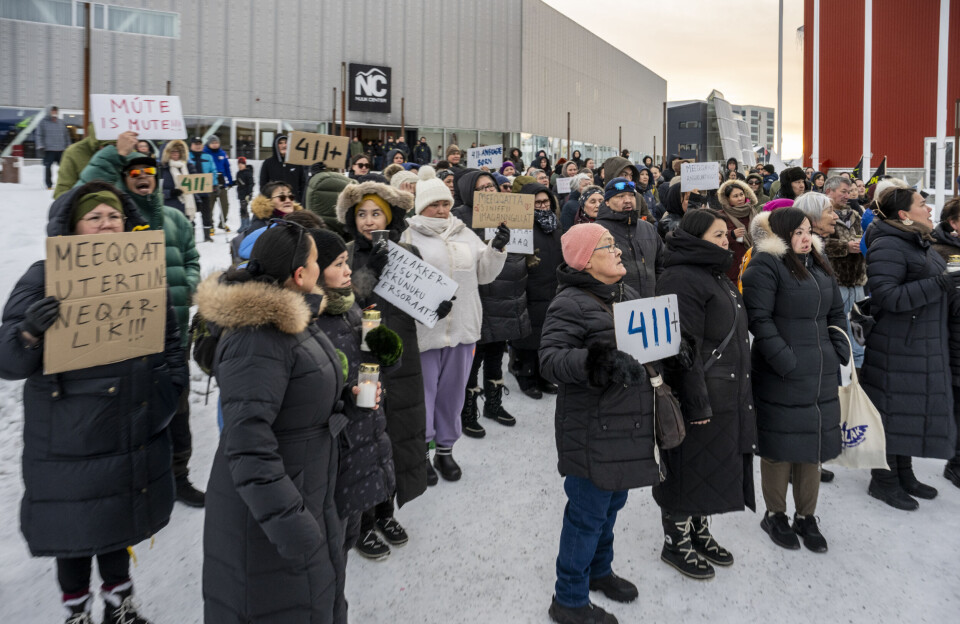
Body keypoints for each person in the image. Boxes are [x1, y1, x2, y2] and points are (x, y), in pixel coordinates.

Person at [0, 181, 187, 624]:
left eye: (114, 216)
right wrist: (28, 330)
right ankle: (77, 612)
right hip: (70, 436)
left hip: (130, 427)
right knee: (76, 529)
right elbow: (7, 359)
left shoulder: (145, 273)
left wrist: (169, 388)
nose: (106, 224)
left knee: (118, 523)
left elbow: (171, 342)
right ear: (73, 225)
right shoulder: (43, 275)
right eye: (95, 217)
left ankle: (120, 604)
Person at [198, 224, 355, 623]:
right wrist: (289, 522)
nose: (322, 268)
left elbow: (294, 391)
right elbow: (248, 441)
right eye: (317, 260)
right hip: (273, 511)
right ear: (300, 274)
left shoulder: (291, 315)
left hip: (305, 487)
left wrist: (343, 402)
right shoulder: (258, 337)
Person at [540, 223, 659, 624]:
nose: (620, 251)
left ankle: (598, 570)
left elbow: (649, 346)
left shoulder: (627, 294)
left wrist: (678, 346)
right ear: (586, 259)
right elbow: (552, 359)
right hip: (590, 429)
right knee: (586, 514)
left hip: (626, 426)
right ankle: (568, 600)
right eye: (609, 246)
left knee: (611, 505)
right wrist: (598, 361)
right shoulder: (569, 303)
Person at [653, 208, 756, 580]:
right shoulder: (681, 278)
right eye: (717, 235)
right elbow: (681, 349)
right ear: (696, 238)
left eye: (726, 234)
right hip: (699, 394)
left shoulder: (714, 274)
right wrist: (695, 400)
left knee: (711, 465)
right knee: (687, 466)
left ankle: (700, 530)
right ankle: (675, 541)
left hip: (725, 391)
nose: (725, 240)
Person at [741, 207, 848, 553]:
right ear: (782, 235)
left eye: (807, 231)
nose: (805, 238)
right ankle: (775, 513)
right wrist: (784, 360)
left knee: (811, 445)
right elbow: (759, 319)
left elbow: (836, 311)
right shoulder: (765, 265)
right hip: (782, 372)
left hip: (819, 370)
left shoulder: (818, 264)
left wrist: (838, 348)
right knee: (780, 447)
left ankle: (807, 516)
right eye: (797, 232)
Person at [335, 180, 427, 556]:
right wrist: (368, 271)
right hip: (363, 360)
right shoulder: (344, 254)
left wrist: (437, 307)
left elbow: (422, 297)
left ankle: (386, 507)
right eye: (362, 214)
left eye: (377, 214)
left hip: (401, 354)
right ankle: (363, 521)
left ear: (389, 217)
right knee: (365, 438)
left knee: (397, 433)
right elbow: (342, 301)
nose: (370, 221)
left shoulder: (409, 250)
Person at [403, 176, 508, 479]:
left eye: (444, 203)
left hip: (462, 328)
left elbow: (485, 275)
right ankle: (421, 452)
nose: (440, 209)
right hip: (425, 332)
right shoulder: (408, 235)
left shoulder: (464, 233)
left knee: (452, 395)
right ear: (421, 206)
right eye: (433, 204)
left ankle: (445, 451)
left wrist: (496, 248)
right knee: (423, 396)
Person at [860, 187, 957, 510]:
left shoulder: (917, 240)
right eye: (921, 204)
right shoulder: (888, 244)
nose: (929, 209)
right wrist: (942, 282)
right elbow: (886, 296)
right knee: (890, 412)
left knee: (906, 412)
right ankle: (883, 481)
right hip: (897, 343)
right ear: (903, 214)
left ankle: (904, 474)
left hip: (920, 341)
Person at [309, 228, 396, 573]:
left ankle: (364, 528)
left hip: (364, 428)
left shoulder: (351, 308)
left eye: (348, 263)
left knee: (348, 524)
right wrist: (345, 397)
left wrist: (386, 350)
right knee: (332, 541)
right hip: (338, 441)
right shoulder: (311, 322)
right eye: (339, 264)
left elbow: (371, 363)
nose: (348, 270)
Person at [452, 170, 530, 437]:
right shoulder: (459, 219)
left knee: (496, 353)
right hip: (478, 296)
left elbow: (521, 249)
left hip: (505, 294)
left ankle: (494, 405)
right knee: (474, 358)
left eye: (491, 186)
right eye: (481, 188)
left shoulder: (509, 212)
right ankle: (468, 411)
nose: (488, 191)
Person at [510, 183, 563, 398]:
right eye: (537, 202)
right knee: (528, 337)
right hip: (529, 287)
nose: (542, 206)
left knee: (547, 335)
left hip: (552, 286)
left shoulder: (556, 224)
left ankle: (543, 376)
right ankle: (525, 376)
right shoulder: (520, 227)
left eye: (546, 201)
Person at [821, 176, 865, 369]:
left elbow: (863, 238)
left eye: (849, 192)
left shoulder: (854, 214)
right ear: (829, 191)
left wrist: (861, 244)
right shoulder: (820, 215)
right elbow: (819, 244)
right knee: (837, 326)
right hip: (836, 279)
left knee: (859, 325)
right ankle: (838, 367)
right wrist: (845, 246)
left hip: (857, 279)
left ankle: (859, 368)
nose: (848, 195)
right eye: (843, 192)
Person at [931, 198, 960, 489]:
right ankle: (956, 461)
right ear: (954, 224)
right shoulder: (945, 253)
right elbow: (951, 300)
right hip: (952, 339)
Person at [595, 178, 663, 298]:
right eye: (620, 196)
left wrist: (659, 292)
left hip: (650, 304)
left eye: (631, 195)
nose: (627, 200)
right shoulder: (597, 231)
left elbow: (662, 265)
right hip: (614, 305)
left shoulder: (648, 228)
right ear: (607, 202)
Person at [231, 181, 305, 263]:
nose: (288, 200)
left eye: (290, 196)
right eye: (282, 197)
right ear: (268, 201)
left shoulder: (300, 220)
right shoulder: (261, 226)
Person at [717, 178, 758, 283]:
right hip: (734, 266)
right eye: (735, 196)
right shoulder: (721, 215)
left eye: (741, 194)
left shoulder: (753, 211)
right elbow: (715, 238)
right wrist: (732, 234)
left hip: (755, 261)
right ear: (727, 199)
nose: (740, 198)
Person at [258, 134, 308, 203]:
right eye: (280, 143)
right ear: (275, 145)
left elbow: (303, 185)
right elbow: (263, 186)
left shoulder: (296, 163)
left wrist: (301, 201)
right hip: (275, 205)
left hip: (293, 204)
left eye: (286, 143)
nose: (284, 146)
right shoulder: (268, 163)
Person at [188, 137, 218, 242]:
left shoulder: (208, 157)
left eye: (199, 144)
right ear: (191, 145)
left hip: (205, 189)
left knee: (206, 214)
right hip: (191, 191)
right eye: (195, 144)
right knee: (191, 213)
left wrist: (215, 184)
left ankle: (207, 235)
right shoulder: (186, 156)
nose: (197, 145)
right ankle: (191, 236)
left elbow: (213, 171)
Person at [159, 139, 197, 219]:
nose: (175, 154)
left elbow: (194, 186)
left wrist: (197, 199)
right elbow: (157, 191)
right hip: (169, 209)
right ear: (167, 153)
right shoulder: (162, 168)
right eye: (172, 152)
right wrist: (170, 193)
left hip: (186, 208)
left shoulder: (188, 167)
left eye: (178, 151)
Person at [36, 106, 71, 190]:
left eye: (56, 111)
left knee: (63, 168)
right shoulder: (43, 122)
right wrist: (40, 145)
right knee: (48, 168)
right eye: (53, 111)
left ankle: (63, 183)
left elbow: (66, 135)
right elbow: (39, 135)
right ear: (49, 111)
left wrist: (69, 145)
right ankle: (49, 185)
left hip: (61, 149)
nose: (54, 112)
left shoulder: (61, 122)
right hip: (49, 150)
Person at [204, 136, 234, 232]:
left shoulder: (222, 153)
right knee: (210, 206)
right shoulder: (205, 153)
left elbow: (227, 168)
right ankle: (210, 225)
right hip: (210, 183)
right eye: (212, 143)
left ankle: (222, 223)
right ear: (209, 143)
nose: (215, 144)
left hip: (222, 182)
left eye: (216, 142)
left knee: (225, 205)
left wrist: (230, 181)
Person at [235, 156, 255, 232]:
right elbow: (238, 182)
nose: (240, 165)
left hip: (246, 194)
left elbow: (251, 184)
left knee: (243, 209)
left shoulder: (248, 173)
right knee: (242, 209)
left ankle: (246, 225)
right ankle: (244, 225)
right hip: (241, 194)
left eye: (242, 164)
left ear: (245, 164)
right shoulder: (239, 173)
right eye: (239, 164)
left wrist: (249, 193)